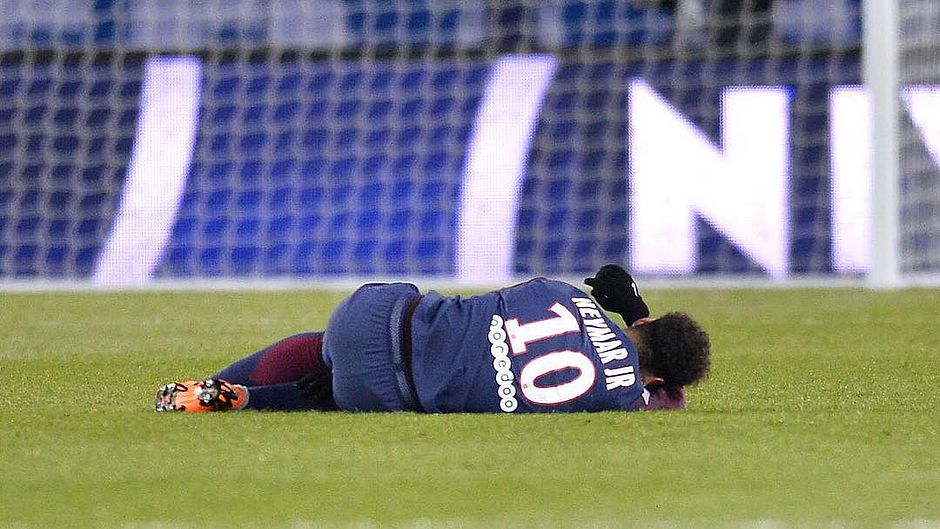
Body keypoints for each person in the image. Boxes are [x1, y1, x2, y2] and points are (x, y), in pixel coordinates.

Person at [155, 264, 710, 414]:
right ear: (658, 377)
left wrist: (633, 307)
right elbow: (668, 400)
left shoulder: (561, 292)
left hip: (372, 315)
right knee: (339, 392)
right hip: (385, 391)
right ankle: (246, 400)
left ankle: (214, 384)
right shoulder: (621, 399)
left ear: (644, 325)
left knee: (329, 346)